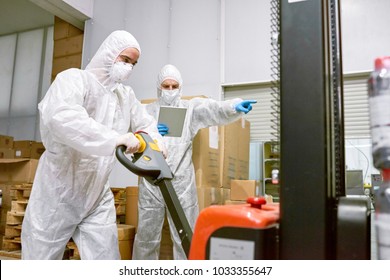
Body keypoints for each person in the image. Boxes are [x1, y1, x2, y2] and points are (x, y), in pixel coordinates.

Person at [21, 30, 165, 260]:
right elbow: (65, 119)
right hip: (58, 192)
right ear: (109, 53)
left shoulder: (124, 96)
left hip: (96, 193)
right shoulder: (73, 80)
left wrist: (156, 143)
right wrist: (115, 139)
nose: (129, 68)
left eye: (134, 64)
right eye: (125, 60)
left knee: (106, 258)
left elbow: (146, 122)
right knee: (40, 260)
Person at [132, 64, 256, 260]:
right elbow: (127, 132)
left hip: (180, 182)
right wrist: (149, 130)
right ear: (159, 87)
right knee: (146, 239)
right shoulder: (145, 111)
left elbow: (212, 109)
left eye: (174, 86)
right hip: (151, 183)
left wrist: (233, 106)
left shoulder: (189, 109)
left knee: (185, 236)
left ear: (180, 87)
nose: (170, 91)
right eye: (166, 86)